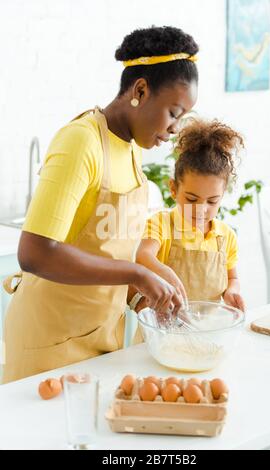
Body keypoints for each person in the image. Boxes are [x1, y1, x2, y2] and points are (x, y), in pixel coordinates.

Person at [2, 26, 199, 383]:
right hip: (50, 342)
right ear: (140, 90)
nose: (174, 129)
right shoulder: (81, 141)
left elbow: (107, 251)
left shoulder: (130, 151)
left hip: (101, 341)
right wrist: (137, 274)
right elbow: (35, 253)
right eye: (173, 112)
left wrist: (147, 289)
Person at [136, 119, 246, 312]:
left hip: (207, 330)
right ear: (173, 188)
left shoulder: (225, 236)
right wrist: (163, 271)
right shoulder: (161, 224)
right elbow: (143, 255)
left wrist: (232, 291)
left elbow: (232, 278)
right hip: (164, 331)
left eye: (212, 201)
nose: (201, 209)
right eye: (192, 199)